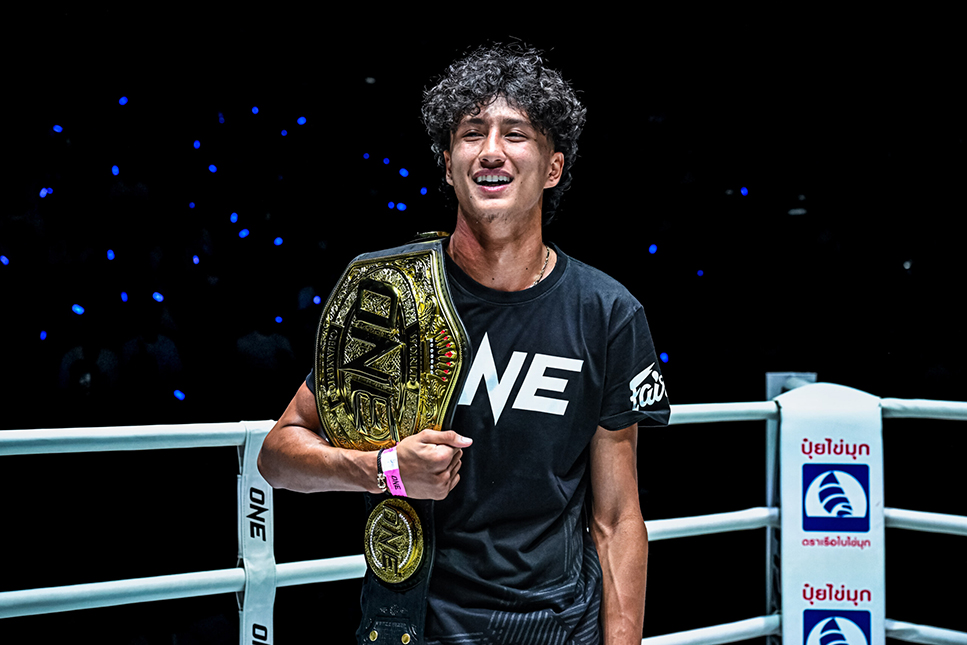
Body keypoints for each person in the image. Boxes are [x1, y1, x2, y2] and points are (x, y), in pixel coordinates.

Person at [258, 43, 670, 645]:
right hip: (418, 625)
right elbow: (277, 456)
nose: (491, 150)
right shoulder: (392, 295)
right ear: (449, 165)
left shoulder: (607, 312)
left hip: (556, 627)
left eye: (515, 133)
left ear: (553, 168)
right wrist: (387, 470)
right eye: (472, 133)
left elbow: (617, 518)